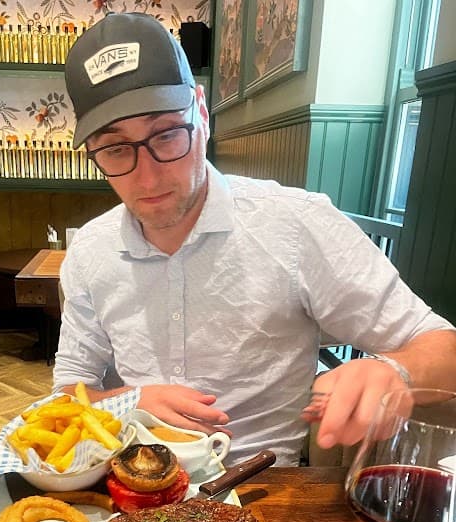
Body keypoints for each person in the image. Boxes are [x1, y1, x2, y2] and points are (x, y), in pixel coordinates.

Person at [52, 11, 456, 466]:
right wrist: (132, 399)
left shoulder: (296, 224)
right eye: (115, 148)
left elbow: (443, 346)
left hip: (266, 489)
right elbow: (69, 388)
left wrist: (394, 372)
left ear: (201, 113)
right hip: (134, 484)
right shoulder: (90, 250)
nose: (147, 177)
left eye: (166, 135)